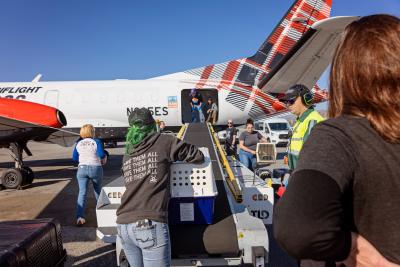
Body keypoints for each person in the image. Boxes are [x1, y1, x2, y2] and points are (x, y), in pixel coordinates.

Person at [274, 15, 400, 266]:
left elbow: (297, 228)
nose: (288, 106)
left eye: (291, 101)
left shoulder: (336, 133)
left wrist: (366, 257)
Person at [116, 108, 204, 267]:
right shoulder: (164, 141)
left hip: (123, 226)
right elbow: (197, 155)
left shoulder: (128, 152)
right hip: (148, 224)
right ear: (152, 125)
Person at [281, 84, 324, 171]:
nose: (288, 105)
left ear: (306, 99)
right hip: (296, 173)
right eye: (286, 102)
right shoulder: (300, 121)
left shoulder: (313, 121)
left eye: (291, 101)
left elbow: (313, 159)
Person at [72, 124, 106, 226]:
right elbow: (101, 155)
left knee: (82, 192)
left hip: (82, 169)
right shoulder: (96, 142)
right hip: (95, 168)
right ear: (92, 132)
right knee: (98, 191)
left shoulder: (78, 143)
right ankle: (103, 215)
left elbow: (74, 158)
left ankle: (80, 217)